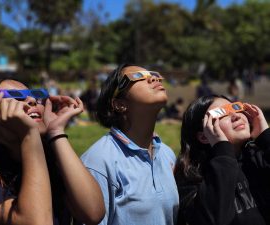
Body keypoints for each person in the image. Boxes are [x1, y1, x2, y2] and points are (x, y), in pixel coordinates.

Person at [0, 77, 105, 225]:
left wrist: (56, 132)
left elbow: (93, 213)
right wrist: (29, 134)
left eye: (34, 95)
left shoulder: (51, 162)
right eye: (14, 97)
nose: (31, 100)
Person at [80, 64, 179, 225]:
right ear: (119, 104)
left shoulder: (167, 154)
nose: (154, 78)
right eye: (138, 77)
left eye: (153, 75)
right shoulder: (98, 161)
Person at [174, 95, 270, 225]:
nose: (236, 116)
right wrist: (222, 151)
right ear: (204, 136)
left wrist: (265, 136)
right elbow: (214, 219)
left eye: (236, 108)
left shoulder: (256, 158)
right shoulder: (192, 177)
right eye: (221, 113)